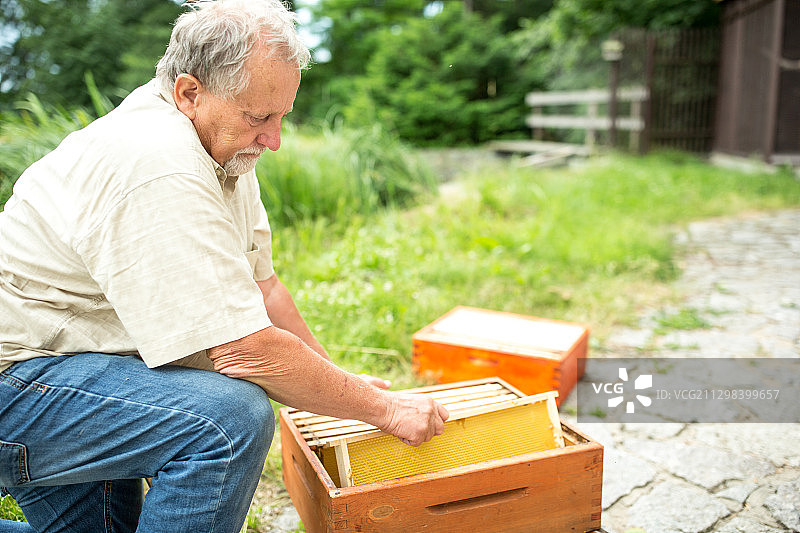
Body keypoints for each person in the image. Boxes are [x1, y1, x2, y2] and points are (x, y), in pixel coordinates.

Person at [0, 0, 449, 531]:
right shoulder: (155, 163)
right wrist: (385, 410)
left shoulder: (223, 147)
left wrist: (340, 383)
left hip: (86, 367)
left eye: (282, 115)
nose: (274, 139)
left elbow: (265, 291)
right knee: (226, 420)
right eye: (259, 117)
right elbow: (242, 350)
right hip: (22, 384)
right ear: (190, 92)